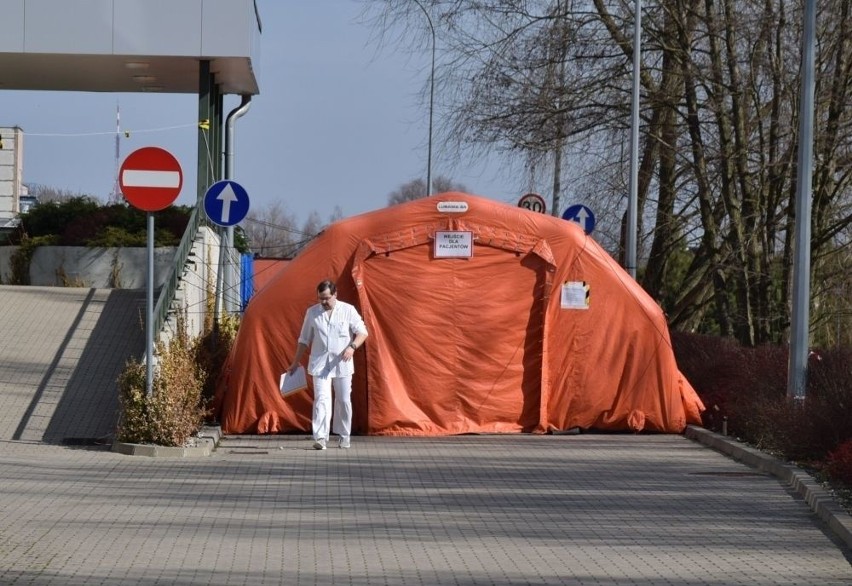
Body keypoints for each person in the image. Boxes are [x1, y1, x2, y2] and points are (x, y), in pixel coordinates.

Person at [287, 280, 368, 450]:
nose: (323, 302)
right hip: (320, 364)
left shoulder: (348, 310)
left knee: (344, 399)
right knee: (321, 399)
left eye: (326, 298)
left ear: (335, 294)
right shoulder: (312, 313)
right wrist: (295, 362)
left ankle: (344, 435)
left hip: (342, 363)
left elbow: (362, 332)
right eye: (320, 299)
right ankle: (321, 437)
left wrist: (352, 347)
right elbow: (304, 340)